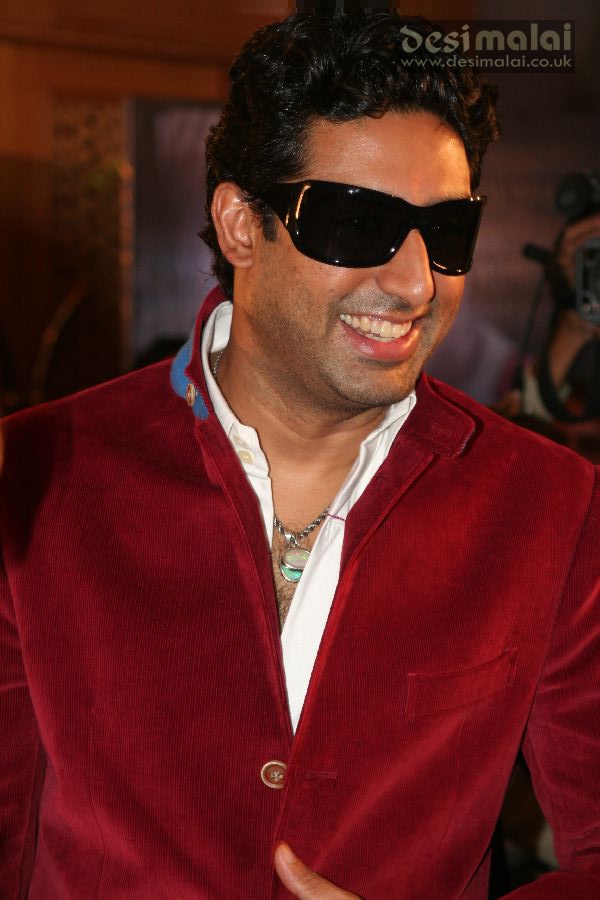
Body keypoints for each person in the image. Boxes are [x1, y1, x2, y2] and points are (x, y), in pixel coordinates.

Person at [1, 12, 599, 900]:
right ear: (241, 225)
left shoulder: (549, 504)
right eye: (358, 223)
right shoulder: (38, 473)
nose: (415, 282)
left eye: (447, 232)